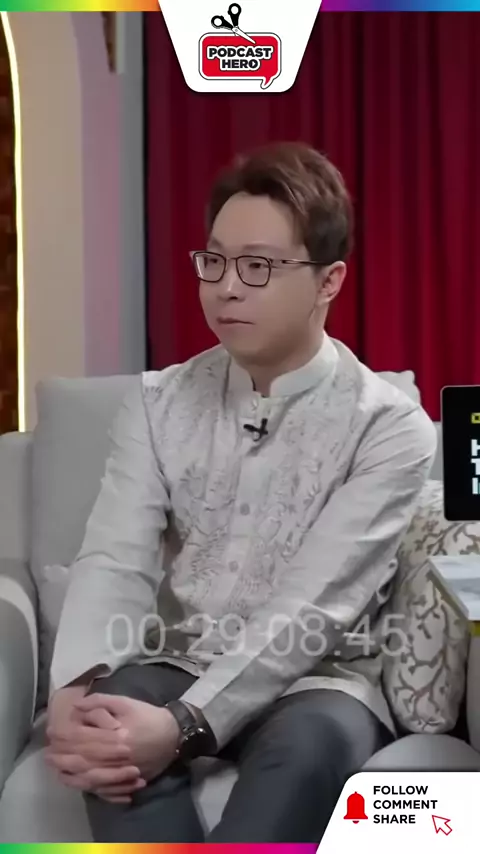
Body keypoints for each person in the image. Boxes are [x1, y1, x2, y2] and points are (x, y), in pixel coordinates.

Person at [45, 141, 436, 843]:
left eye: (258, 267)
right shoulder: (158, 403)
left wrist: (185, 726)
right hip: (178, 661)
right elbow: (114, 559)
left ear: (328, 281)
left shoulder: (388, 427)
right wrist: (73, 690)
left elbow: (314, 605)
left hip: (319, 680)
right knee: (108, 718)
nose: (226, 288)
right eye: (215, 261)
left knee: (310, 746)